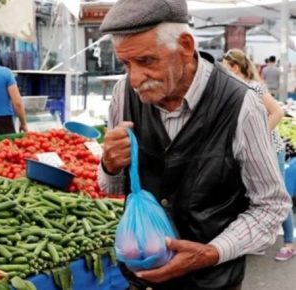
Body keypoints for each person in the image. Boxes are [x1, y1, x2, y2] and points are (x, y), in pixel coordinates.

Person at [98, 0, 292, 289]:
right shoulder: (123, 94)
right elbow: (112, 187)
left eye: (147, 61)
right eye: (126, 64)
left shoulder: (240, 103)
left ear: (186, 46)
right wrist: (110, 165)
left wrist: (210, 253)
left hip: (211, 280)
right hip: (142, 278)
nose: (135, 79)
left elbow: (271, 205)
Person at [222, 49, 295, 261]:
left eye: (227, 69)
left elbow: (278, 113)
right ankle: (259, 239)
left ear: (235, 68)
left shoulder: (253, 87)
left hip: (272, 149)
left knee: (277, 194)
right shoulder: (235, 89)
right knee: (254, 193)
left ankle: (289, 242)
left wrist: (258, 137)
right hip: (251, 151)